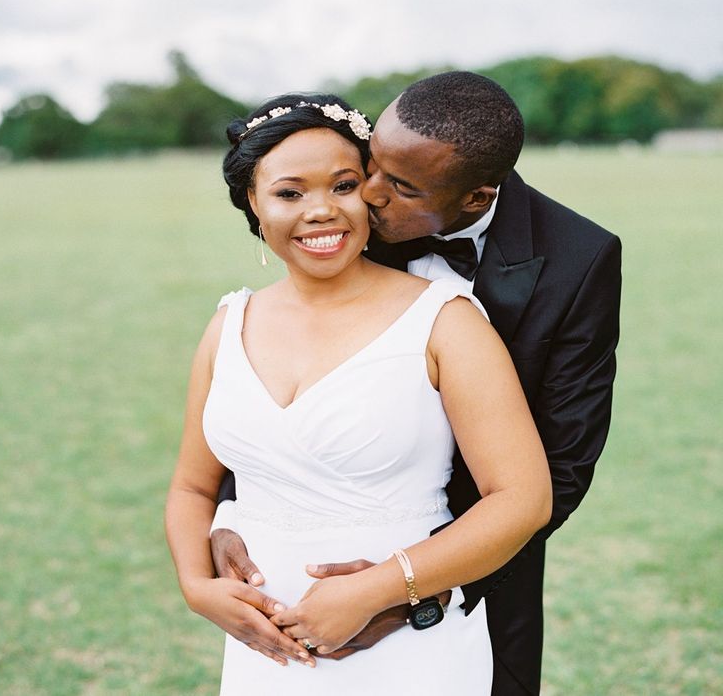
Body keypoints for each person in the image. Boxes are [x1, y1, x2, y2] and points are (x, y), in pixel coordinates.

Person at [210, 73, 622, 695]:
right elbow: (283, 378)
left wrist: (417, 592)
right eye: (368, 167)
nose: (365, 197)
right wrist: (235, 513)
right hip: (286, 593)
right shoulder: (349, 212)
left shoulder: (578, 260)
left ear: (476, 200)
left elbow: (559, 469)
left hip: (475, 578)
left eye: (398, 187)